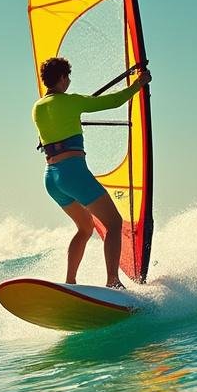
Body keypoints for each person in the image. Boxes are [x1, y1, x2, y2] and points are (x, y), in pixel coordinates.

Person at [33, 57, 150, 289]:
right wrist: (139, 84)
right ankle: (113, 282)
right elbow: (114, 101)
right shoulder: (72, 102)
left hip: (51, 177)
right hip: (73, 173)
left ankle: (70, 282)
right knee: (114, 223)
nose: (69, 81)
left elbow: (56, 128)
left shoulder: (37, 108)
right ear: (63, 78)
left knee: (85, 227)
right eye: (68, 77)